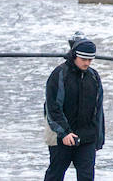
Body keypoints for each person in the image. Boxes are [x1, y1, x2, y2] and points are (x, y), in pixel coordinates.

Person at [43, 38, 104, 181]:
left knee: (87, 177)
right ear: (74, 55)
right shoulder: (59, 74)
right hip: (61, 138)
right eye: (84, 59)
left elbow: (98, 110)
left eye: (90, 60)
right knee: (55, 174)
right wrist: (64, 133)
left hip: (87, 137)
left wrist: (98, 138)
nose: (87, 63)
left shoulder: (94, 76)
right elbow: (53, 108)